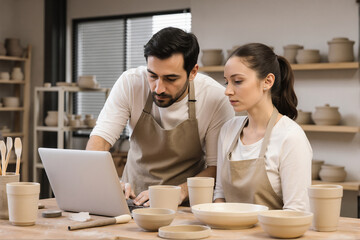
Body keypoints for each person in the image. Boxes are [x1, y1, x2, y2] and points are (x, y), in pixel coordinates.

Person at [86, 27, 234, 206]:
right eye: (153, 76)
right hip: (132, 200)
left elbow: (216, 167)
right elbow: (99, 141)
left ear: (193, 72)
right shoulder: (131, 83)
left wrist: (179, 192)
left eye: (171, 79)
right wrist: (109, 183)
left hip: (184, 203)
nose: (159, 88)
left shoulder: (215, 98)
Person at [214, 43, 312, 211]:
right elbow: (220, 195)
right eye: (226, 82)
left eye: (237, 81)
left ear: (267, 81)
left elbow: (297, 212)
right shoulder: (228, 130)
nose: (228, 91)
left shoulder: (290, 137)